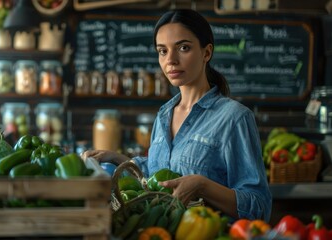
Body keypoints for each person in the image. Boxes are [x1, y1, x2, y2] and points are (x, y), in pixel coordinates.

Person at [82, 9, 272, 221]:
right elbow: (157, 177)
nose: (171, 60)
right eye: (162, 51)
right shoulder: (164, 114)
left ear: (206, 53)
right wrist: (117, 158)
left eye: (183, 48)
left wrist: (202, 186)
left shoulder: (234, 118)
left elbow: (259, 206)